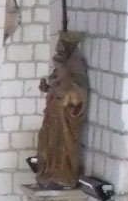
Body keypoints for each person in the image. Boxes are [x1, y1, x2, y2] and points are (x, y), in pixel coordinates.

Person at [34, 31, 88, 189]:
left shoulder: (69, 66)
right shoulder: (60, 65)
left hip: (62, 115)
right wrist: (48, 87)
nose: (57, 49)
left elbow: (72, 92)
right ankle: (50, 171)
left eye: (60, 46)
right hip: (53, 114)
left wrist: (55, 89)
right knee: (48, 143)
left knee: (61, 144)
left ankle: (63, 174)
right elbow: (55, 83)